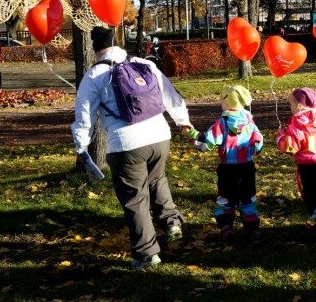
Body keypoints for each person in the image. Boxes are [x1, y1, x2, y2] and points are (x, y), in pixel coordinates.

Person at [71, 26, 193, 270]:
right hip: (160, 136)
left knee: (135, 199)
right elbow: (170, 93)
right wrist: (183, 121)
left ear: (96, 51)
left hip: (125, 144)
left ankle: (148, 254)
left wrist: (81, 146)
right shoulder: (142, 63)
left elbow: (84, 115)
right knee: (157, 179)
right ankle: (171, 222)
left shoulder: (95, 75)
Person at [184, 85, 264, 245]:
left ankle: (226, 227)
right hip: (247, 166)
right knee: (248, 198)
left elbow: (207, 143)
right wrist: (255, 150)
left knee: (226, 198)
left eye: (222, 99)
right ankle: (253, 230)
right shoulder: (249, 120)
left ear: (228, 103)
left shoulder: (222, 123)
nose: (220, 101)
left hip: (227, 168)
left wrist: (192, 136)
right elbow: (259, 140)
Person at [276, 88, 316, 243]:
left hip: (308, 164)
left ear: (299, 106)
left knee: (310, 198)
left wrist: (281, 136)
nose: (290, 108)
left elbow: (291, 146)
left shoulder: (297, 123)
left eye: (291, 105)